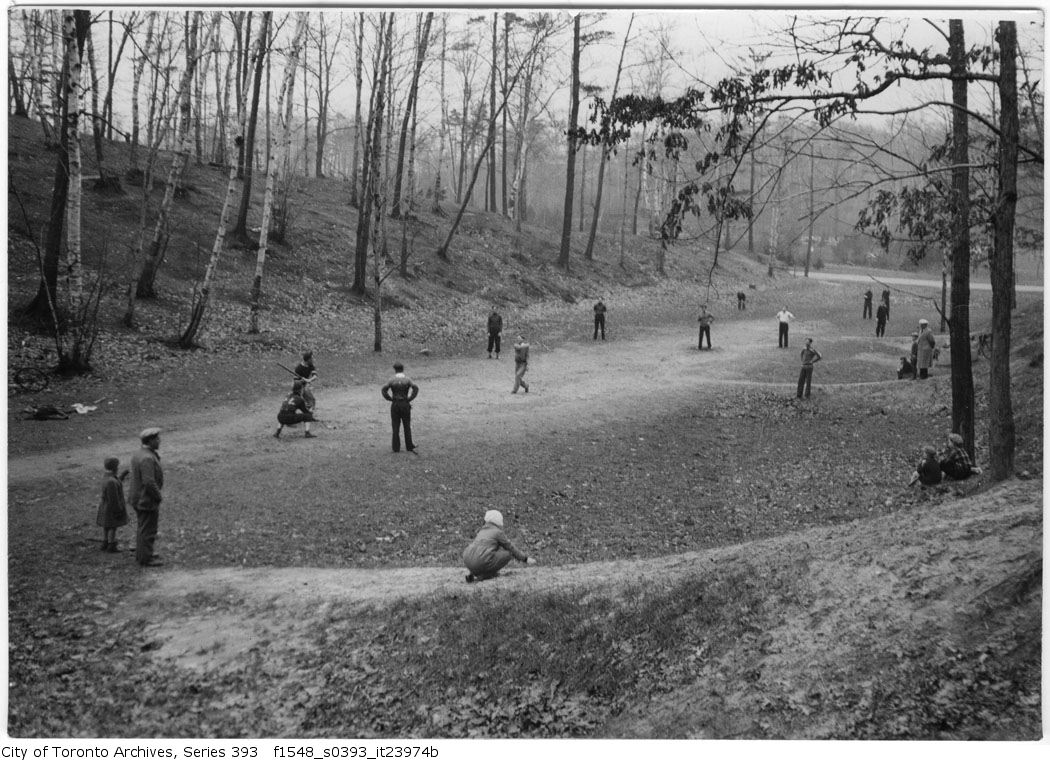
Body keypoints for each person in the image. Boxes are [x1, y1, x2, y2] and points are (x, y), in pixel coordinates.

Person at [462, 509, 536, 583]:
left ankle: (472, 573)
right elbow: (510, 547)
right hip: (481, 561)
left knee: (485, 552)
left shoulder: (482, 531)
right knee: (508, 553)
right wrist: (525, 559)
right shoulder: (498, 532)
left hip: (468, 559)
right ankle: (486, 575)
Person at [129, 427, 164, 567]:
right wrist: (158, 496)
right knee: (148, 529)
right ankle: (146, 558)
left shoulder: (139, 453)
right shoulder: (147, 458)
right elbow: (149, 481)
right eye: (157, 439)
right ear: (150, 441)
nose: (159, 441)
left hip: (137, 497)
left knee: (142, 527)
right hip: (146, 499)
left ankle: (142, 553)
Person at [381, 362, 419, 453]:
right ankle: (409, 446)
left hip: (395, 404)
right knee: (407, 426)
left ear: (395, 370)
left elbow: (384, 389)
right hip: (405, 404)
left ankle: (396, 447)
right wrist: (410, 399)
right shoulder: (407, 379)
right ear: (403, 369)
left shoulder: (392, 380)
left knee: (395, 426)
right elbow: (416, 388)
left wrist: (389, 398)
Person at [96, 457, 128, 553]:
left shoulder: (107, 477)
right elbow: (113, 499)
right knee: (112, 527)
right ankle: (111, 545)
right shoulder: (111, 481)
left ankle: (105, 542)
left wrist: (123, 475)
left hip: (105, 506)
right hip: (111, 508)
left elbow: (117, 481)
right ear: (115, 467)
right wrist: (118, 510)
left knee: (106, 526)